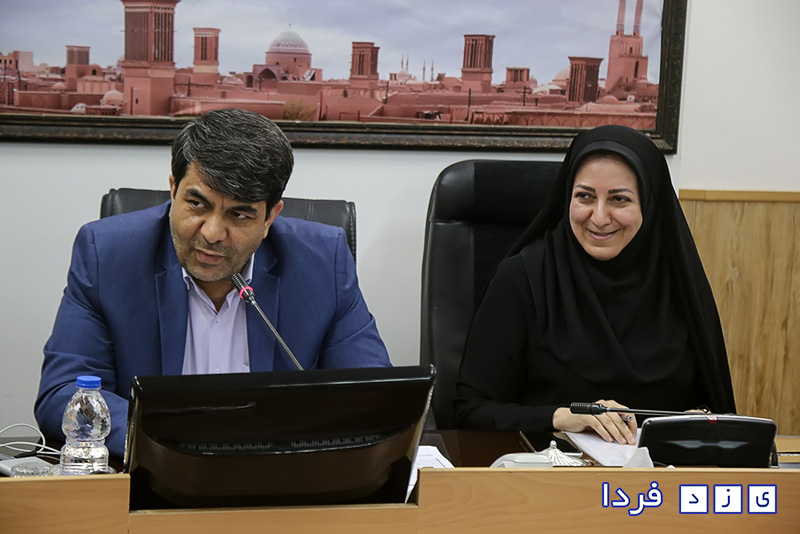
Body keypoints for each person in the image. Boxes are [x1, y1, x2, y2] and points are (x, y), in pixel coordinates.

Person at [35, 108, 391, 457]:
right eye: (197, 204)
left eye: (239, 214)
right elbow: (64, 395)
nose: (212, 232)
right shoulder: (107, 255)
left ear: (270, 217)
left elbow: (375, 400)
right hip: (154, 476)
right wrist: (178, 439)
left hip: (278, 476)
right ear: (173, 190)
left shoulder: (323, 262)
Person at [453, 125, 736, 445]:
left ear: (649, 203)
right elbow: (470, 411)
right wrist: (562, 417)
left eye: (619, 199)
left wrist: (700, 418)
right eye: (585, 196)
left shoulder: (679, 285)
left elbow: (714, 406)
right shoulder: (522, 278)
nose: (599, 217)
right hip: (544, 467)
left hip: (658, 472)